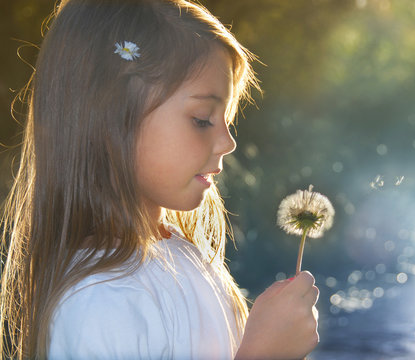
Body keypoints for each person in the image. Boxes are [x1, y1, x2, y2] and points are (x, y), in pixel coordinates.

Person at [0, 0, 320, 358]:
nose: (229, 142)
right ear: (111, 116)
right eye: (202, 118)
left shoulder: (181, 254)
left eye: (227, 118)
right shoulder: (100, 300)